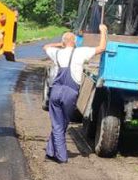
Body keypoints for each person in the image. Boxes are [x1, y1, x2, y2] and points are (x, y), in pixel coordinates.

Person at [43, 25, 108, 163]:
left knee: (57, 123)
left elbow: (45, 46)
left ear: (64, 42)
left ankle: (51, 151)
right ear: (75, 41)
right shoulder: (81, 52)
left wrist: (60, 44)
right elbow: (102, 48)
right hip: (70, 93)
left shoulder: (57, 53)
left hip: (56, 91)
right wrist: (103, 32)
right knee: (61, 124)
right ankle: (61, 156)